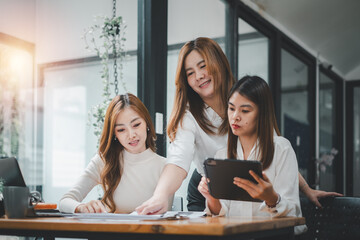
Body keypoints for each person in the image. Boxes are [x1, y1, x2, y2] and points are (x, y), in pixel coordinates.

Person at [136, 37, 341, 215]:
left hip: (248, 186)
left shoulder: (243, 95)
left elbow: (273, 152)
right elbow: (178, 161)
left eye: (203, 65)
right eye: (190, 73)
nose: (198, 76)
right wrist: (161, 196)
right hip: (209, 189)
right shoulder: (188, 116)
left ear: (218, 63)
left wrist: (306, 190)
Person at [198, 75, 306, 234]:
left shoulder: (281, 149)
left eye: (245, 110)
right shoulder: (222, 155)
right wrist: (212, 199)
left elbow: (294, 216)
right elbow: (221, 217)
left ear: (261, 113)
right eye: (231, 108)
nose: (235, 116)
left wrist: (272, 199)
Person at [59, 93, 166, 213]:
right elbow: (65, 201)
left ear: (146, 123)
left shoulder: (166, 167)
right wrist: (80, 207)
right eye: (121, 130)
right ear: (115, 134)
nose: (131, 135)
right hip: (114, 231)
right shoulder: (105, 161)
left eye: (136, 125)